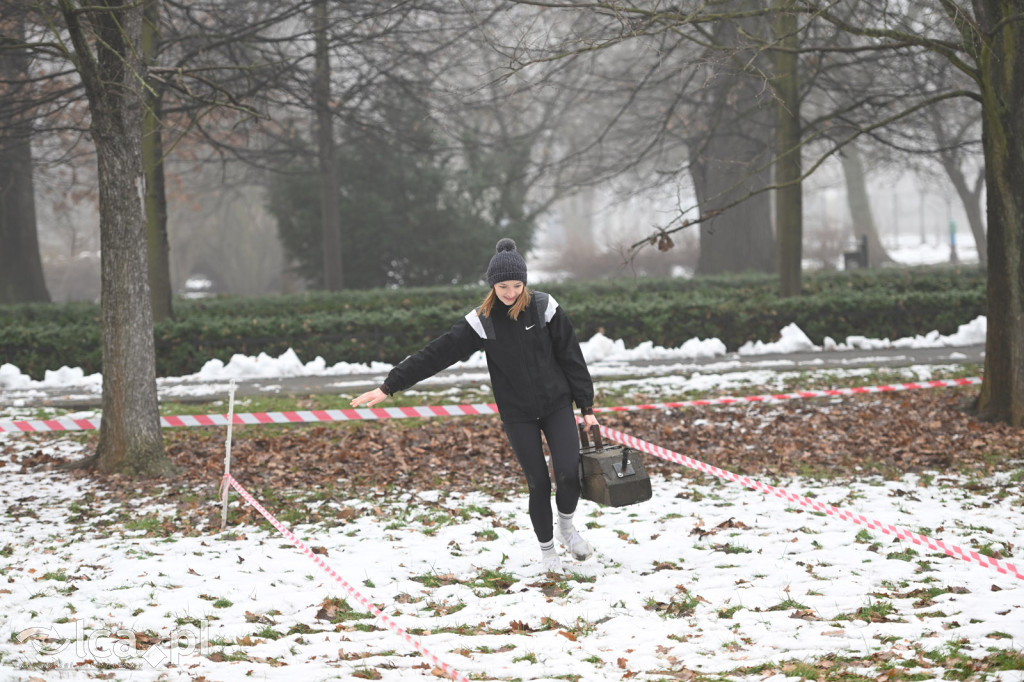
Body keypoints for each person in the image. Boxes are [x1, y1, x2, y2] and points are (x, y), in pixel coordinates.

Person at [351, 238, 600, 574]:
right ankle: (547, 552)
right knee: (539, 482)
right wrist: (389, 385)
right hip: (518, 414)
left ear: (524, 282)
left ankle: (567, 529)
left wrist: (586, 407)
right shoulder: (483, 321)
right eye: (502, 286)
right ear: (492, 285)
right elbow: (436, 353)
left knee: (569, 474)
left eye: (516, 285)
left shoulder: (545, 308)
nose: (510, 292)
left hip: (557, 405)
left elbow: (572, 358)